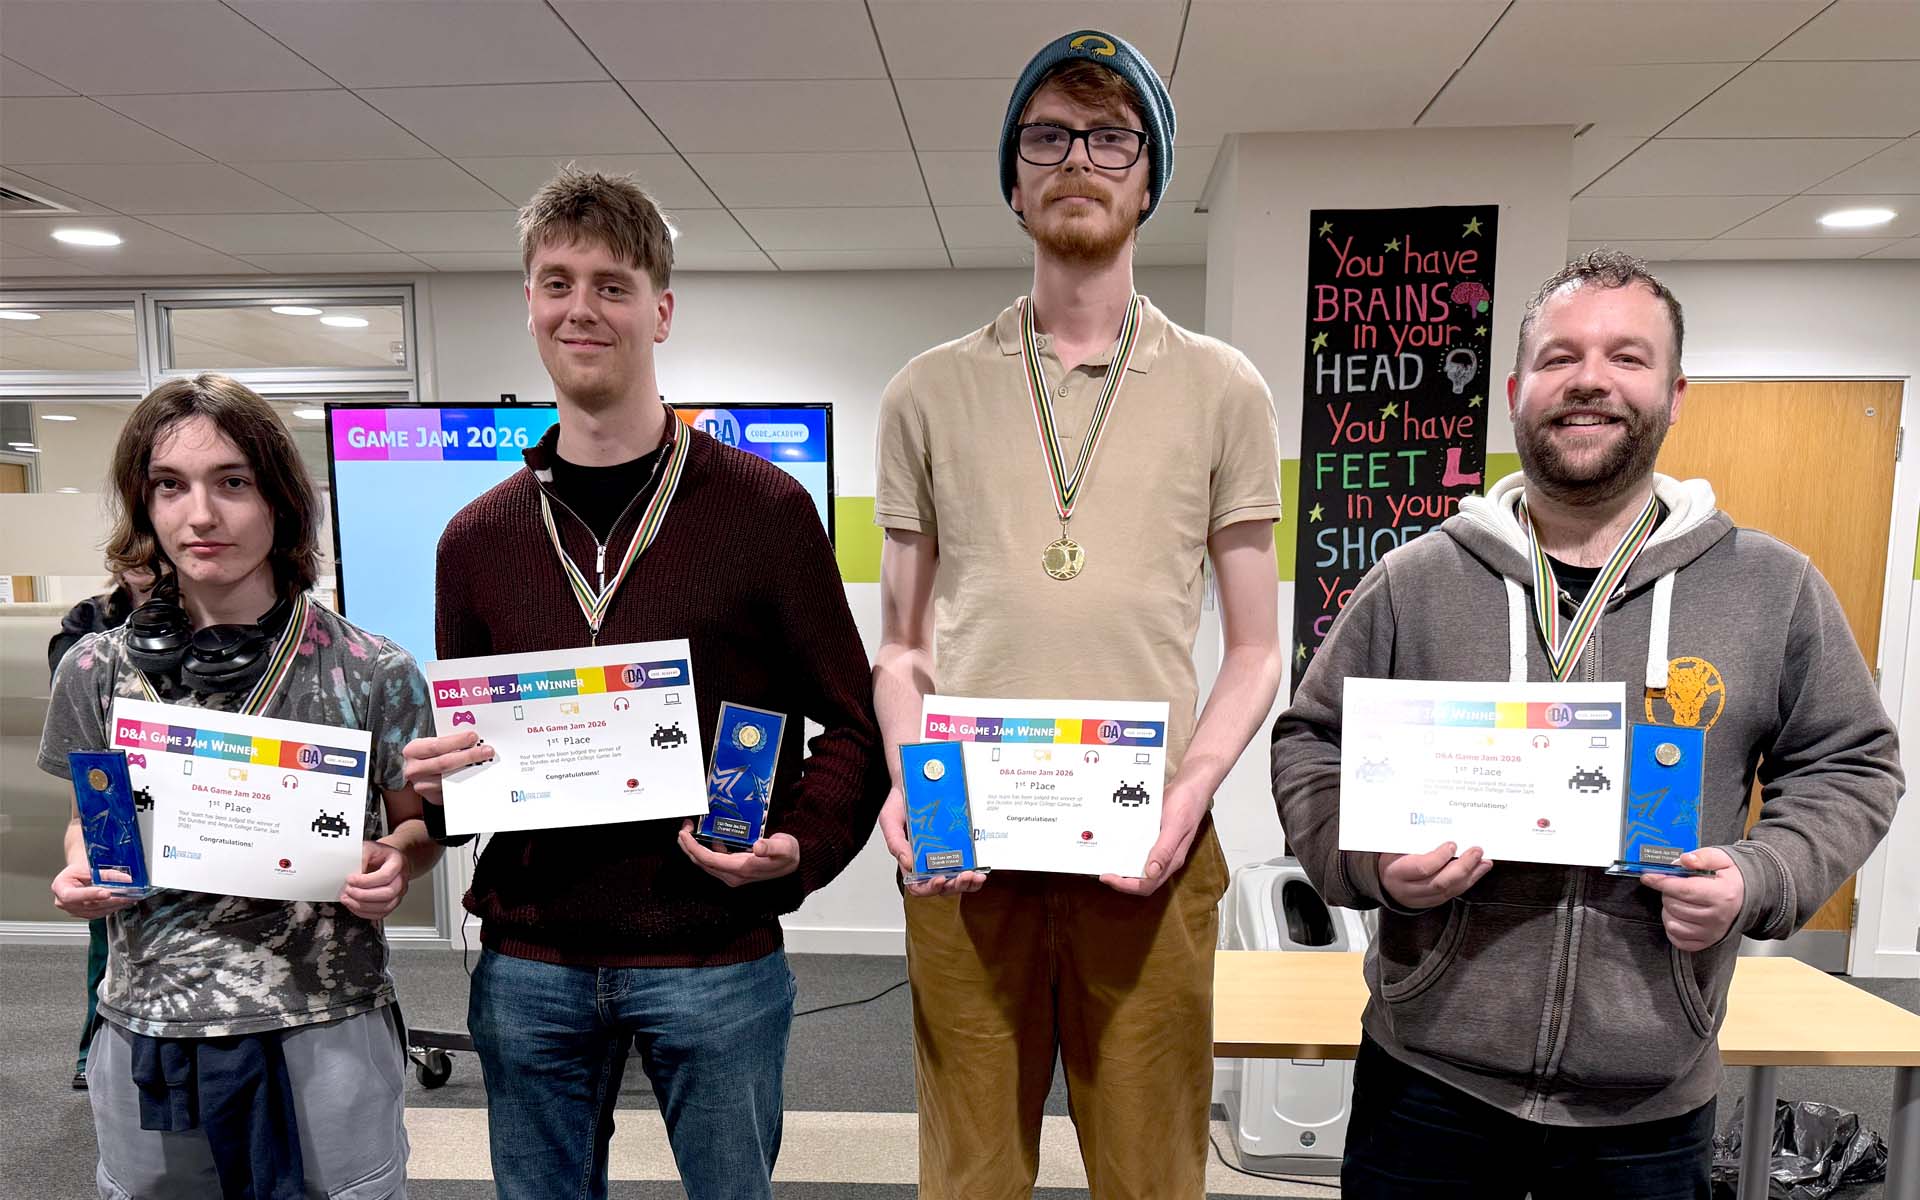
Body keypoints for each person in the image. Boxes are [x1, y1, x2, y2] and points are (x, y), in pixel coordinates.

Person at [1272, 249, 1903, 1198]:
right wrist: (1368, 867)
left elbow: (1853, 765)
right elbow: (1312, 743)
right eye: (1562, 358)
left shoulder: (1771, 590)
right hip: (1428, 1082)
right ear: (1520, 391)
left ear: (1675, 392)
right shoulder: (1417, 580)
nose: (1591, 381)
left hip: (1650, 1102)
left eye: (1627, 357)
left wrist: (1759, 874)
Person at [400, 168, 887, 1200]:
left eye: (612, 285)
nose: (583, 308)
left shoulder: (763, 510)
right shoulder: (475, 541)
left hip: (713, 958)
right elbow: (465, 771)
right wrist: (434, 793)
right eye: (557, 281)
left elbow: (852, 723)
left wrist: (798, 851)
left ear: (660, 310)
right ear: (529, 304)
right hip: (530, 963)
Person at [871, 30, 1284, 1199]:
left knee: (1152, 1174)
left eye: (1112, 137)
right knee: (970, 1175)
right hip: (970, 857)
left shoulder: (1224, 389)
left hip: (1147, 847)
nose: (1078, 160)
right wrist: (911, 780)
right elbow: (901, 648)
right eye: (1046, 136)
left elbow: (1256, 649)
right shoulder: (929, 390)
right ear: (1012, 178)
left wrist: (1191, 793)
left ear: (1149, 178)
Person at [38, 373, 441, 1199]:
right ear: (143, 504)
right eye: (169, 486)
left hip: (322, 1023)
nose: (201, 516)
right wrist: (83, 862)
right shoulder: (94, 668)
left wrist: (394, 860)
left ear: (280, 502)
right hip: (148, 1020)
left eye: (232, 483)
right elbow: (91, 819)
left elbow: (419, 829)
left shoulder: (373, 669)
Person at [48, 566, 153, 1092]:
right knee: (105, 938)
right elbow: (80, 723)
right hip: (114, 788)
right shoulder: (88, 630)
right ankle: (93, 1048)